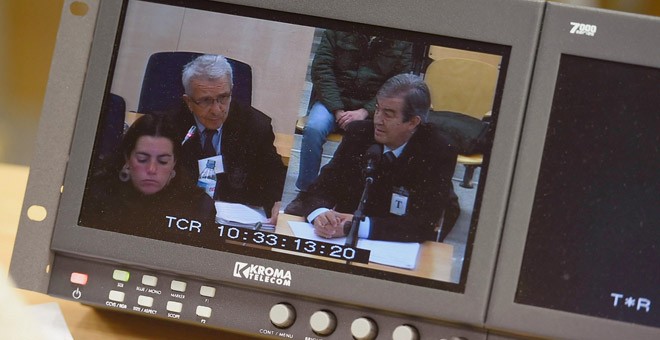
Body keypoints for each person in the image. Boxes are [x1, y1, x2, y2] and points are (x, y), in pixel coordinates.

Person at [285, 74, 457, 243]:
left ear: (413, 122)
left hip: (396, 247)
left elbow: (423, 224)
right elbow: (321, 188)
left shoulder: (438, 150)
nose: (377, 120)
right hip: (341, 241)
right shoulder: (358, 134)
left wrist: (356, 226)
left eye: (388, 114)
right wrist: (320, 214)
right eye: (377, 109)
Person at [296, 29, 413, 191]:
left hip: (373, 107)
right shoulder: (336, 30)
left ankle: (350, 193)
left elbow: (397, 84)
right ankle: (306, 190)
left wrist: (365, 111)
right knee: (314, 128)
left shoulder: (403, 41)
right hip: (333, 100)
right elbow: (321, 69)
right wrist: (337, 109)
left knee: (376, 136)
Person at [174, 54, 286, 224]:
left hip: (236, 220)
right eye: (205, 100)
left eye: (223, 98)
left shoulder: (256, 126)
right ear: (188, 101)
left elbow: (274, 176)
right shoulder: (170, 126)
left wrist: (278, 202)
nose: (217, 110)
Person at [80, 114, 218, 247]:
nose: (152, 169)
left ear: (174, 163)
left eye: (163, 161)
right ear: (127, 158)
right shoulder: (95, 196)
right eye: (142, 159)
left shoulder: (199, 207)